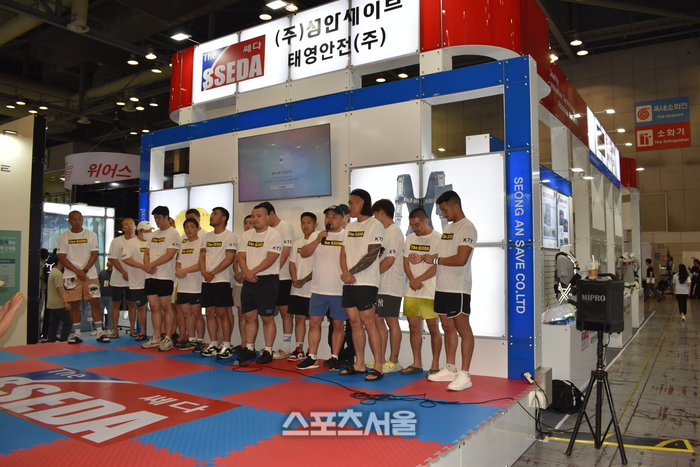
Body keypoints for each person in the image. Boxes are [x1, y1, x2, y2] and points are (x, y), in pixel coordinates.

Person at [420, 190, 477, 391]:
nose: (443, 214)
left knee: (463, 328)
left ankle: (465, 374)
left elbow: (461, 259)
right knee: (447, 327)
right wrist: (426, 257)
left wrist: (434, 259)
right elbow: (446, 253)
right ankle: (451, 368)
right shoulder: (449, 228)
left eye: (445, 210)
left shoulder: (468, 227)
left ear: (456, 206)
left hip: (458, 288)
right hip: (442, 286)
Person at [339, 189, 385, 381]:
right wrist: (345, 273)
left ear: (362, 202)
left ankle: (378, 366)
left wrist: (351, 273)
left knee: (368, 322)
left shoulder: (375, 225)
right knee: (354, 323)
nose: (349, 206)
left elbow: (372, 254)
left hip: (366, 282)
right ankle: (359, 363)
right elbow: (343, 253)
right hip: (349, 282)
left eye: (352, 202)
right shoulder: (349, 227)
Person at [296, 206, 347, 370]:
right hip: (318, 289)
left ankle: (335, 357)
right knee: (313, 324)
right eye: (327, 216)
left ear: (342, 219)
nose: (330, 219)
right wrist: (318, 239)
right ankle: (312, 356)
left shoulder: (346, 235)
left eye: (334, 216)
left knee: (338, 325)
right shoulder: (316, 235)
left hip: (339, 289)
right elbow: (304, 253)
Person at [237, 204, 283, 364]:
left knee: (267, 317)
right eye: (253, 216)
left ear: (267, 217)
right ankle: (250, 348)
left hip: (267, 280)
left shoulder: (274, 235)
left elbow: (271, 258)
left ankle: (268, 350)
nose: (255, 219)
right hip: (249, 280)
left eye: (258, 216)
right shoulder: (246, 235)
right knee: (249, 316)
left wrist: (252, 272)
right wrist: (247, 272)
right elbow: (241, 256)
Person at [402, 208, 442, 376]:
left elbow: (437, 266)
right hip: (411, 290)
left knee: (433, 327)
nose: (415, 228)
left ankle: (435, 365)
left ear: (426, 221)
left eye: (417, 225)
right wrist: (412, 279)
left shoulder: (438, 238)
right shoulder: (410, 238)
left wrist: (419, 279)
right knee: (413, 327)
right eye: (412, 225)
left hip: (430, 290)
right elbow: (405, 262)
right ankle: (417, 362)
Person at [57, 210, 107, 344]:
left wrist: (84, 270)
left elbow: (94, 254)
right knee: (75, 304)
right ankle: (77, 334)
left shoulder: (91, 235)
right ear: (69, 221)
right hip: (70, 276)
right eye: (74, 219)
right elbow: (61, 257)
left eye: (79, 219)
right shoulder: (63, 237)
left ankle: (100, 332)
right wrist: (77, 271)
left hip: (90, 274)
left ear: (82, 220)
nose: (77, 221)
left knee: (94, 301)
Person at [257, 202, 295, 359]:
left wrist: (274, 272)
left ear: (271, 214)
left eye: (263, 216)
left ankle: (286, 347)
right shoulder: (266, 231)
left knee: (285, 312)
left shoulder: (285, 227)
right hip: (267, 278)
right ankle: (268, 347)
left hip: (282, 277)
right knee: (266, 313)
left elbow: (285, 254)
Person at [371, 199, 405, 373]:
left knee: (392, 321)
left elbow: (389, 260)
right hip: (381, 285)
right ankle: (381, 359)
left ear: (382, 213)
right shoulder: (384, 232)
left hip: (391, 285)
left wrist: (372, 275)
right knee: (378, 320)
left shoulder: (393, 232)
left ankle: (394, 360)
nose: (374, 218)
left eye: (375, 214)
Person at [199, 207, 238, 358]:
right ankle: (213, 343)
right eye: (211, 214)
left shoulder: (230, 236)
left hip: (221, 280)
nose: (211, 216)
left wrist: (212, 273)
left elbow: (229, 259)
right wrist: (204, 272)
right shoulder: (206, 236)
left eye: (215, 214)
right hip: (207, 280)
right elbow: (202, 257)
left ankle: (226, 344)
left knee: (223, 313)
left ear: (223, 218)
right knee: (209, 312)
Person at [142, 206, 181, 351]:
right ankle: (156, 337)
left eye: (159, 218)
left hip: (165, 276)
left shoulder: (173, 234)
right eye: (155, 218)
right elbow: (147, 252)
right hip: (150, 275)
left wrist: (151, 265)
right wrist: (147, 266)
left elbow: (169, 255)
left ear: (166, 217)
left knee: (166, 306)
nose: (157, 221)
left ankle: (168, 338)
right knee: (154, 307)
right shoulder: (153, 235)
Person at [287, 212, 318, 362]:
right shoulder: (297, 243)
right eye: (303, 223)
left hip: (313, 289)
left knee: (314, 322)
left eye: (308, 222)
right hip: (297, 289)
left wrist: (305, 280)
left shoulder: (319, 243)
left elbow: (319, 266)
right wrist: (294, 279)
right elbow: (292, 263)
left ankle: (311, 351)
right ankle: (299, 349)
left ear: (315, 225)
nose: (305, 226)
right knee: (299, 319)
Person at [121, 221, 154, 341]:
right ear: (139, 231)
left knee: (155, 307)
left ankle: (158, 333)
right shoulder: (131, 243)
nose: (149, 233)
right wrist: (143, 266)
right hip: (137, 282)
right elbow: (126, 258)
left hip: (152, 279)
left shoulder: (153, 242)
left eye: (150, 230)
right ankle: (142, 332)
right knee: (141, 307)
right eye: (146, 231)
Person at [175, 217, 204, 351]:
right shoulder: (183, 244)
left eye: (192, 227)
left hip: (195, 285)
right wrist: (179, 270)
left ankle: (200, 341)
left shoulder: (201, 243)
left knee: (197, 313)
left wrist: (184, 270)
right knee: (186, 313)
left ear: (197, 228)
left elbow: (201, 264)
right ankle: (191, 339)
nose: (189, 229)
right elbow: (178, 262)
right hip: (183, 284)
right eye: (186, 227)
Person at [108, 218, 138, 338]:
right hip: (117, 278)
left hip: (133, 278)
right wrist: (123, 272)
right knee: (116, 304)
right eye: (126, 224)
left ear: (135, 227)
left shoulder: (139, 241)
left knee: (132, 304)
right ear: (123, 228)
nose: (129, 226)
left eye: (131, 224)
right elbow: (113, 258)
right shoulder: (116, 241)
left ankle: (132, 329)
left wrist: (131, 274)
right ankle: (115, 330)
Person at [231, 214, 253, 352]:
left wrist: (245, 274)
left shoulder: (258, 240)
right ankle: (243, 343)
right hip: (239, 282)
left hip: (252, 280)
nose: (247, 225)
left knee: (250, 315)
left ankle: (250, 345)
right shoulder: (240, 240)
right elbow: (235, 260)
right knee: (240, 314)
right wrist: (237, 273)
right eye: (245, 223)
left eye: (250, 223)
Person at [45, 265, 72, 342]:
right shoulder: (58, 274)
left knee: (54, 323)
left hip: (52, 303)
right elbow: (60, 289)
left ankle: (51, 339)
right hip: (59, 303)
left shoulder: (53, 272)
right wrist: (65, 302)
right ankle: (63, 340)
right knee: (68, 322)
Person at [98, 261, 113, 331]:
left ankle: (110, 328)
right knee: (99, 312)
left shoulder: (115, 274)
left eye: (110, 261)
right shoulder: (102, 273)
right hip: (101, 295)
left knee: (111, 313)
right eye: (108, 261)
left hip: (111, 296)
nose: (108, 262)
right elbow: (98, 282)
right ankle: (98, 328)